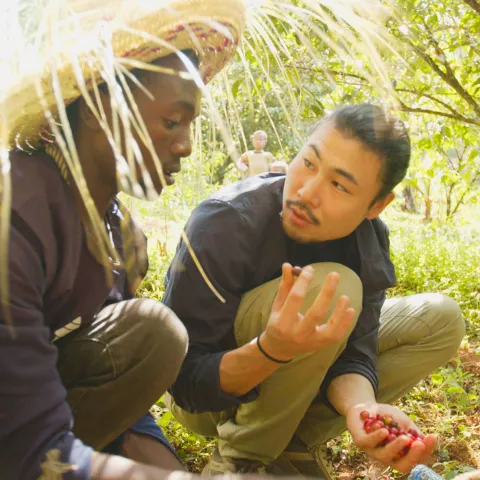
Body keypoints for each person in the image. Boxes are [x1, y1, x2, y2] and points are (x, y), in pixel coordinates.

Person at [0, 1, 245, 479]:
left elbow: (119, 403)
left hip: (32, 422)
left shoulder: (120, 237)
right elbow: (26, 443)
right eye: (172, 121)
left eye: (189, 125)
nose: (187, 145)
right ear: (99, 110)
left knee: (151, 334)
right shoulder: (15, 211)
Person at [163, 104, 466, 478]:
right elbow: (184, 382)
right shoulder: (224, 222)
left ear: (376, 205)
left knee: (441, 318)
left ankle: (292, 444)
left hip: (289, 378)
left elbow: (356, 351)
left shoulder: (369, 240)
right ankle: (242, 460)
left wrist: (362, 407)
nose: (306, 192)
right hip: (212, 396)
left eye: (339, 185)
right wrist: (270, 350)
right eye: (307, 162)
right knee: (329, 288)